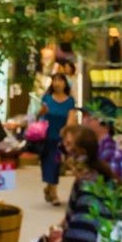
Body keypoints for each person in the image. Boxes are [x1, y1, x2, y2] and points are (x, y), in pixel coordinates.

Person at [37, 72, 78, 206]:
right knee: (49, 164)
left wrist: (67, 131)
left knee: (56, 165)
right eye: (55, 80)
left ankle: (50, 189)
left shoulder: (70, 101)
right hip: (47, 137)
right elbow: (39, 116)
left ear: (65, 83)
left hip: (61, 138)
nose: (57, 83)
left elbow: (72, 118)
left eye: (60, 80)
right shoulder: (47, 98)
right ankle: (52, 191)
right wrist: (41, 112)